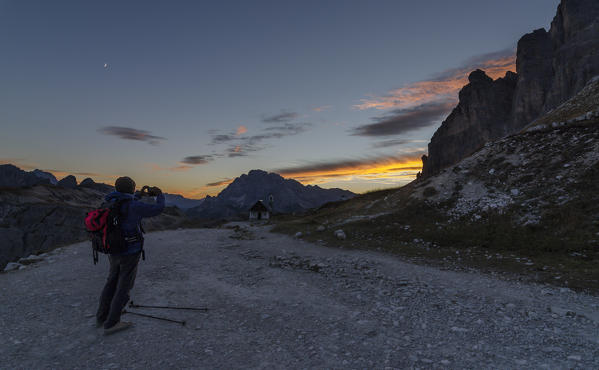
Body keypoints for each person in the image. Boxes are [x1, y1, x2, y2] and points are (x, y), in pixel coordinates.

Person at [96, 176, 165, 335]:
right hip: (130, 250)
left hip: (112, 250)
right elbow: (158, 209)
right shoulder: (133, 206)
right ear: (131, 188)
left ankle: (102, 317)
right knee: (124, 286)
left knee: (111, 282)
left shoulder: (109, 201)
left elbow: (126, 203)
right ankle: (112, 323)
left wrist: (139, 195)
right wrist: (160, 195)